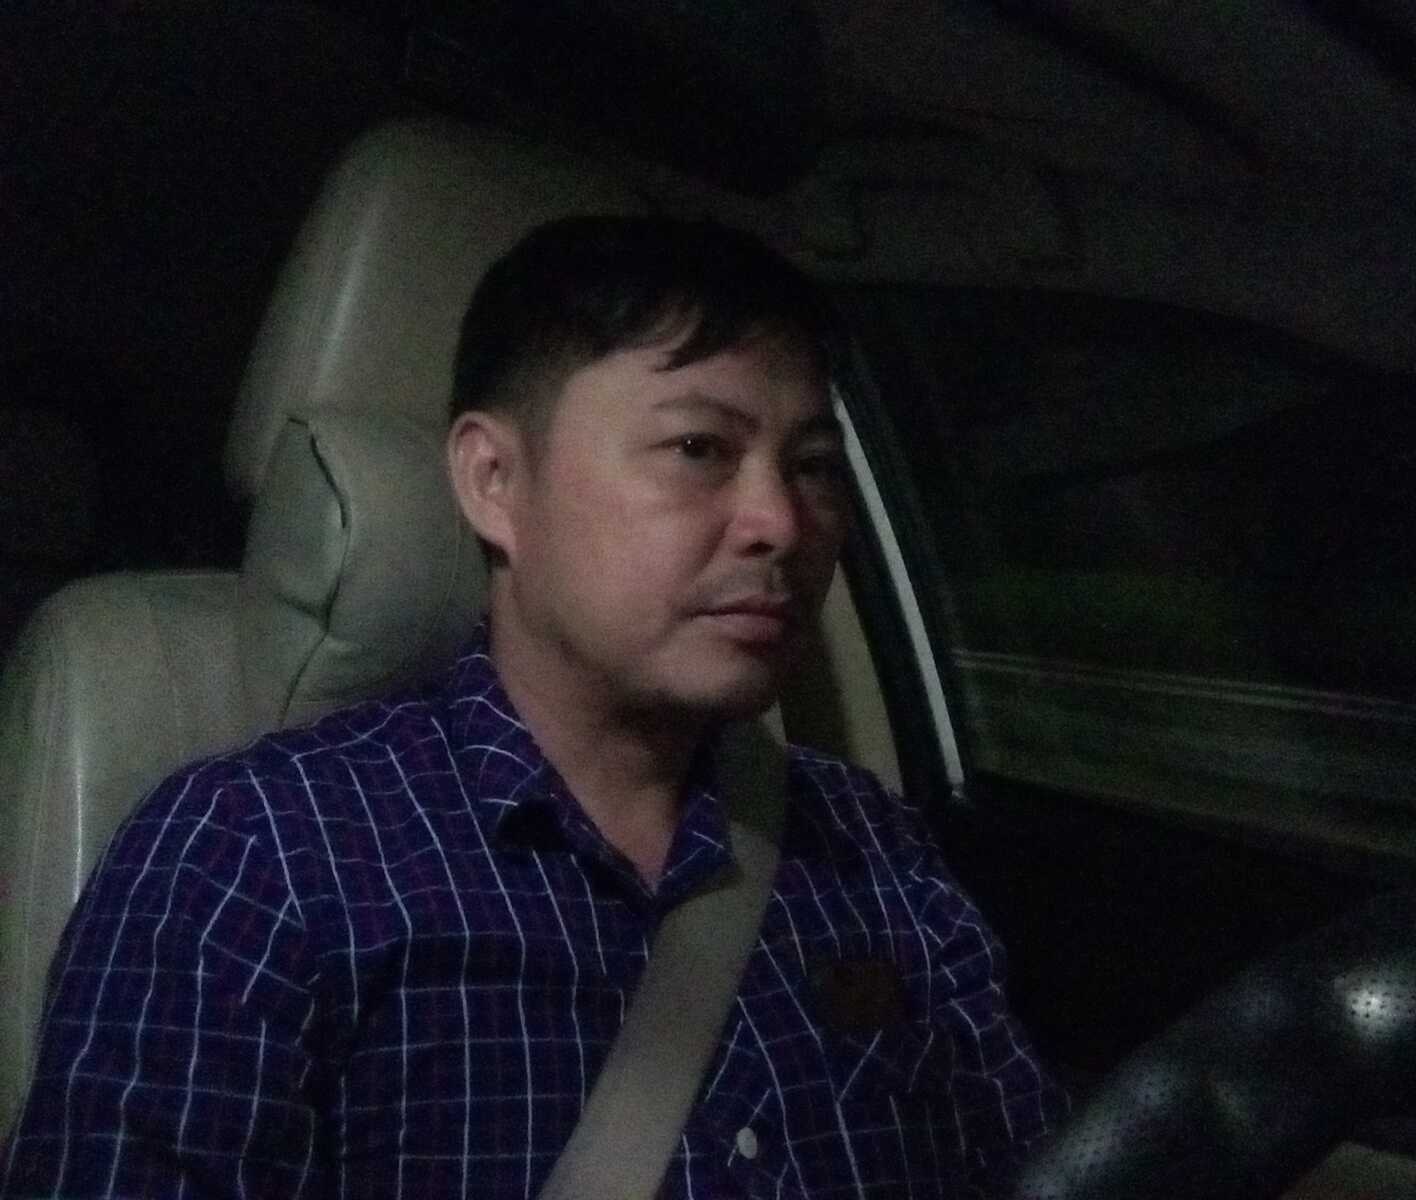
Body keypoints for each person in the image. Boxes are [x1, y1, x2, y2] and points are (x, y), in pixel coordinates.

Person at [1, 216, 1062, 1197]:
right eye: (699, 449)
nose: (780, 522)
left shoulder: (870, 847)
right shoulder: (254, 859)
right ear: (494, 480)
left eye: (814, 465)